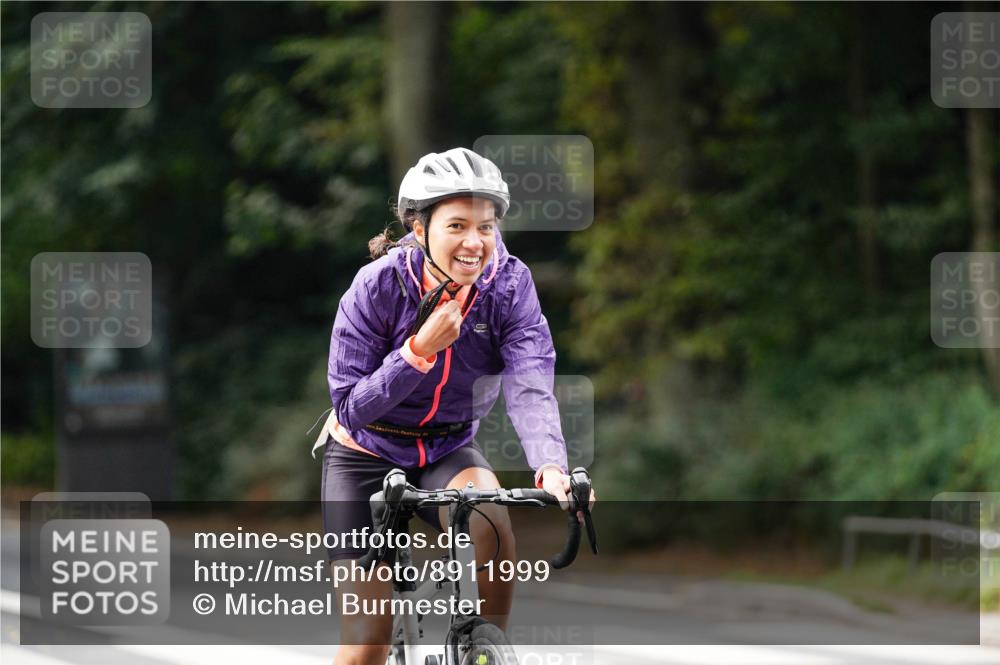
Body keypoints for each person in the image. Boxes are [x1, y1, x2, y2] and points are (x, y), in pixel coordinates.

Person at [314, 147, 594, 665]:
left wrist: (551, 466)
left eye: (486, 227)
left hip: (446, 447)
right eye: (458, 225)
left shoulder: (509, 286)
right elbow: (351, 406)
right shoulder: (375, 287)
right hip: (364, 453)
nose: (474, 242)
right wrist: (416, 352)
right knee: (364, 648)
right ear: (419, 230)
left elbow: (530, 382)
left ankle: (484, 649)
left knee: (488, 517)